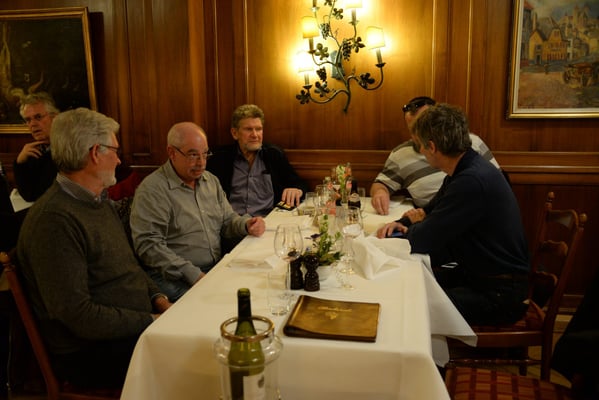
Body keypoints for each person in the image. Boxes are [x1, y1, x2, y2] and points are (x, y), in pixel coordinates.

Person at [16, 108, 172, 389]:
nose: (119, 159)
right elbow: (78, 315)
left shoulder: (98, 201)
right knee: (202, 356)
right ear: (95, 153)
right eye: (114, 150)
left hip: (130, 329)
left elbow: (129, 268)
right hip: (91, 352)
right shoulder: (53, 221)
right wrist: (151, 320)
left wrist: (159, 298)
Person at [376, 103, 529, 326]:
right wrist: (402, 222)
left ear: (431, 147)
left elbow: (425, 238)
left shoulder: (471, 181)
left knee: (405, 303)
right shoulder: (465, 168)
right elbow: (430, 209)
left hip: (498, 293)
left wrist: (396, 237)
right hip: (476, 276)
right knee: (403, 283)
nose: (420, 151)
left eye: (420, 146)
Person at [130, 122, 266, 301]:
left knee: (260, 289)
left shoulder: (210, 181)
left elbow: (227, 221)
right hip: (174, 279)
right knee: (226, 303)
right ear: (172, 152)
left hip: (213, 269)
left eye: (205, 154)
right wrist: (194, 275)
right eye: (193, 155)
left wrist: (246, 224)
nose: (201, 163)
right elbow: (149, 246)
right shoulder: (153, 190)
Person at [370, 96, 500, 214]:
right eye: (412, 129)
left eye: (422, 127)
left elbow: (496, 182)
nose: (417, 136)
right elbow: (381, 183)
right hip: (433, 215)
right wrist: (380, 192)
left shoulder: (469, 146)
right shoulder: (401, 155)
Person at [207, 104, 308, 217]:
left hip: (268, 221)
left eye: (258, 129)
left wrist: (297, 189)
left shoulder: (273, 155)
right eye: (248, 129)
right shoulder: (220, 159)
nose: (255, 135)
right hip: (233, 223)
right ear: (234, 133)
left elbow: (299, 183)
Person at [13, 92, 60, 201]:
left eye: (38, 117)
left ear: (54, 117)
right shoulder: (34, 150)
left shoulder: (68, 147)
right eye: (28, 120)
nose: (32, 124)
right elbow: (29, 195)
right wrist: (20, 163)